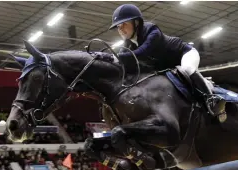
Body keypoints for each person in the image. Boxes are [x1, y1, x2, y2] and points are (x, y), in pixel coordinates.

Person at [96, 4, 224, 117]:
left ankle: (212, 99)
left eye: (124, 24)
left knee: (187, 69)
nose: (121, 29)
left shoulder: (152, 31)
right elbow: (123, 63)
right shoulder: (127, 45)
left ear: (136, 22)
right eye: (118, 27)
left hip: (184, 54)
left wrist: (112, 57)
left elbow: (142, 53)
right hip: (167, 66)